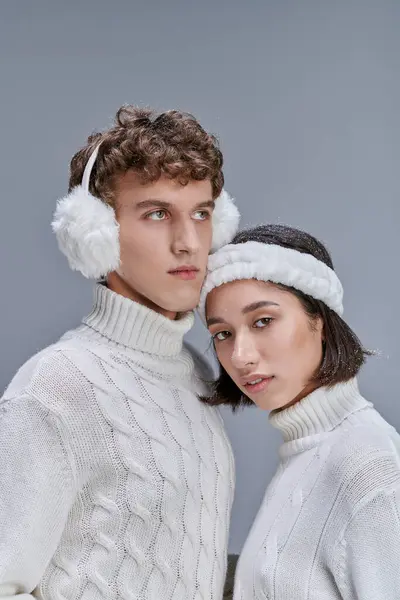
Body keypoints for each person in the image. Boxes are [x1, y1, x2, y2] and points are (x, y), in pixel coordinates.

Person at [0, 105, 240, 600]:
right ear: (96, 235)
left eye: (202, 213)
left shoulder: (195, 374)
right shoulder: (57, 385)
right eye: (157, 214)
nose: (189, 243)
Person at [199, 223, 400, 600]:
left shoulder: (367, 464)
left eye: (263, 321)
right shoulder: (305, 455)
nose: (240, 356)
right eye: (223, 334)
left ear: (319, 321)